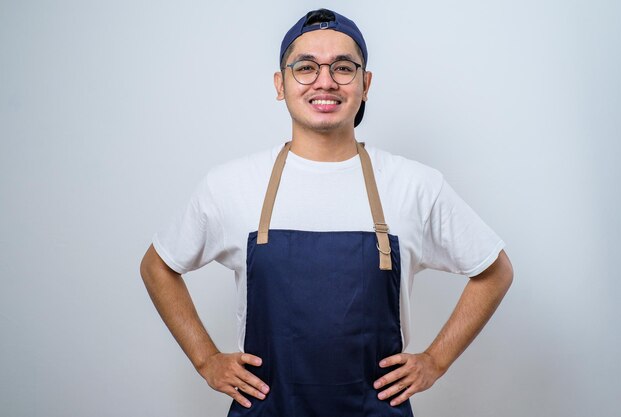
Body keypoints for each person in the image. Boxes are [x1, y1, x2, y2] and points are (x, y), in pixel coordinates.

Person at [140, 8, 513, 417]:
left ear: (365, 84)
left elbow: (495, 271)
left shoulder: (415, 185)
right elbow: (158, 266)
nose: (325, 81)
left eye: (343, 67)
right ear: (280, 84)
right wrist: (205, 359)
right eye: (305, 67)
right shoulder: (230, 184)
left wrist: (435, 361)